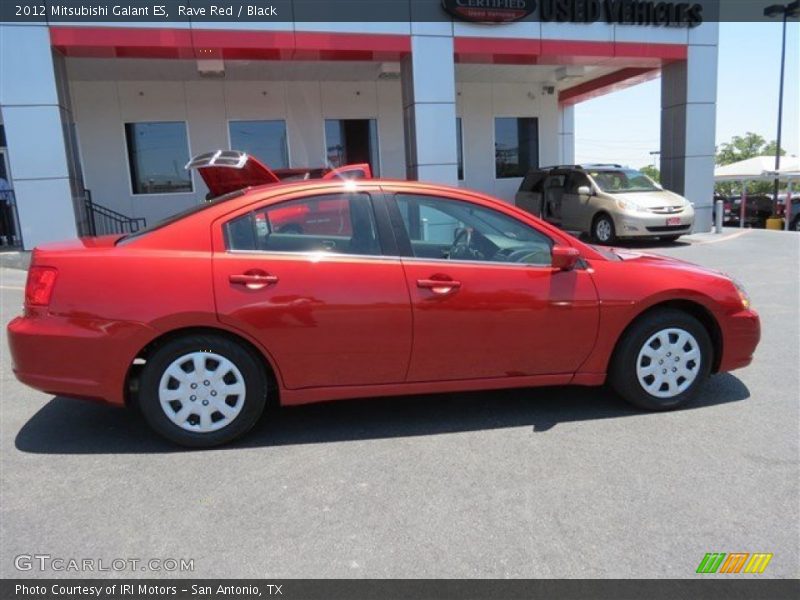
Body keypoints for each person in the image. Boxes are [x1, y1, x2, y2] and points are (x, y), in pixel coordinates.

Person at [0, 177, 16, 246]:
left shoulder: (2, 181)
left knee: (6, 222)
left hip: (2, 202)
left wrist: (10, 202)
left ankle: (10, 241)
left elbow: (8, 192)